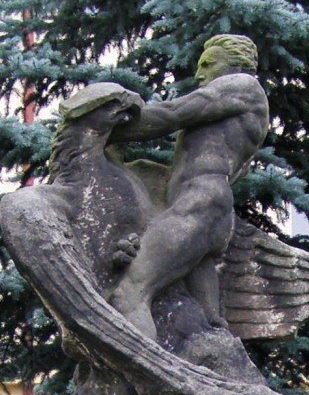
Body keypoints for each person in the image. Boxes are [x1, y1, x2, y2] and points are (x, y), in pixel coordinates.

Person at [108, 34, 269, 341]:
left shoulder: (242, 85)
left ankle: (141, 381)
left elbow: (173, 114)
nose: (200, 74)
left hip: (199, 204)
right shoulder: (240, 110)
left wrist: (107, 125)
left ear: (235, 64)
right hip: (206, 207)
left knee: (130, 292)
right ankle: (212, 373)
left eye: (208, 64)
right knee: (209, 326)